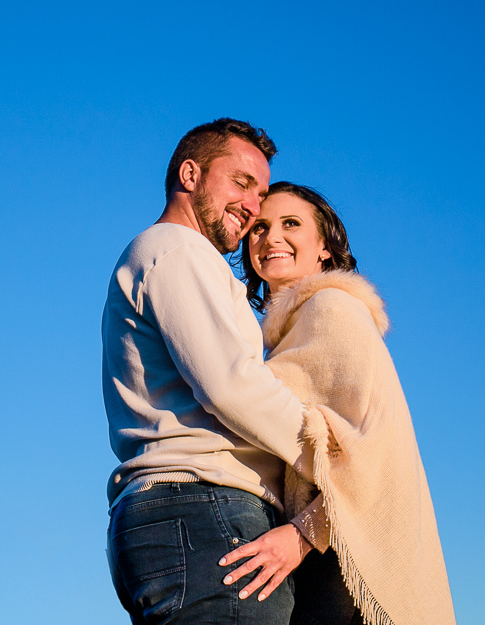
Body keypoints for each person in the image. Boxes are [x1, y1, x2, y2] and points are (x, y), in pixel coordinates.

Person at [102, 120, 321, 625]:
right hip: (203, 512)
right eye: (241, 183)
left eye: (261, 194)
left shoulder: (167, 257)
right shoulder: (177, 250)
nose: (252, 205)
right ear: (190, 174)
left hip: (179, 517)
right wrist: (327, 453)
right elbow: (231, 384)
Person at [219, 182, 456, 625]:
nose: (270, 238)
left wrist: (302, 536)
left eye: (291, 224)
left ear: (324, 248)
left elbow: (376, 454)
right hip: (325, 553)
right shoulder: (289, 333)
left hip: (344, 563)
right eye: (259, 227)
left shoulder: (332, 310)